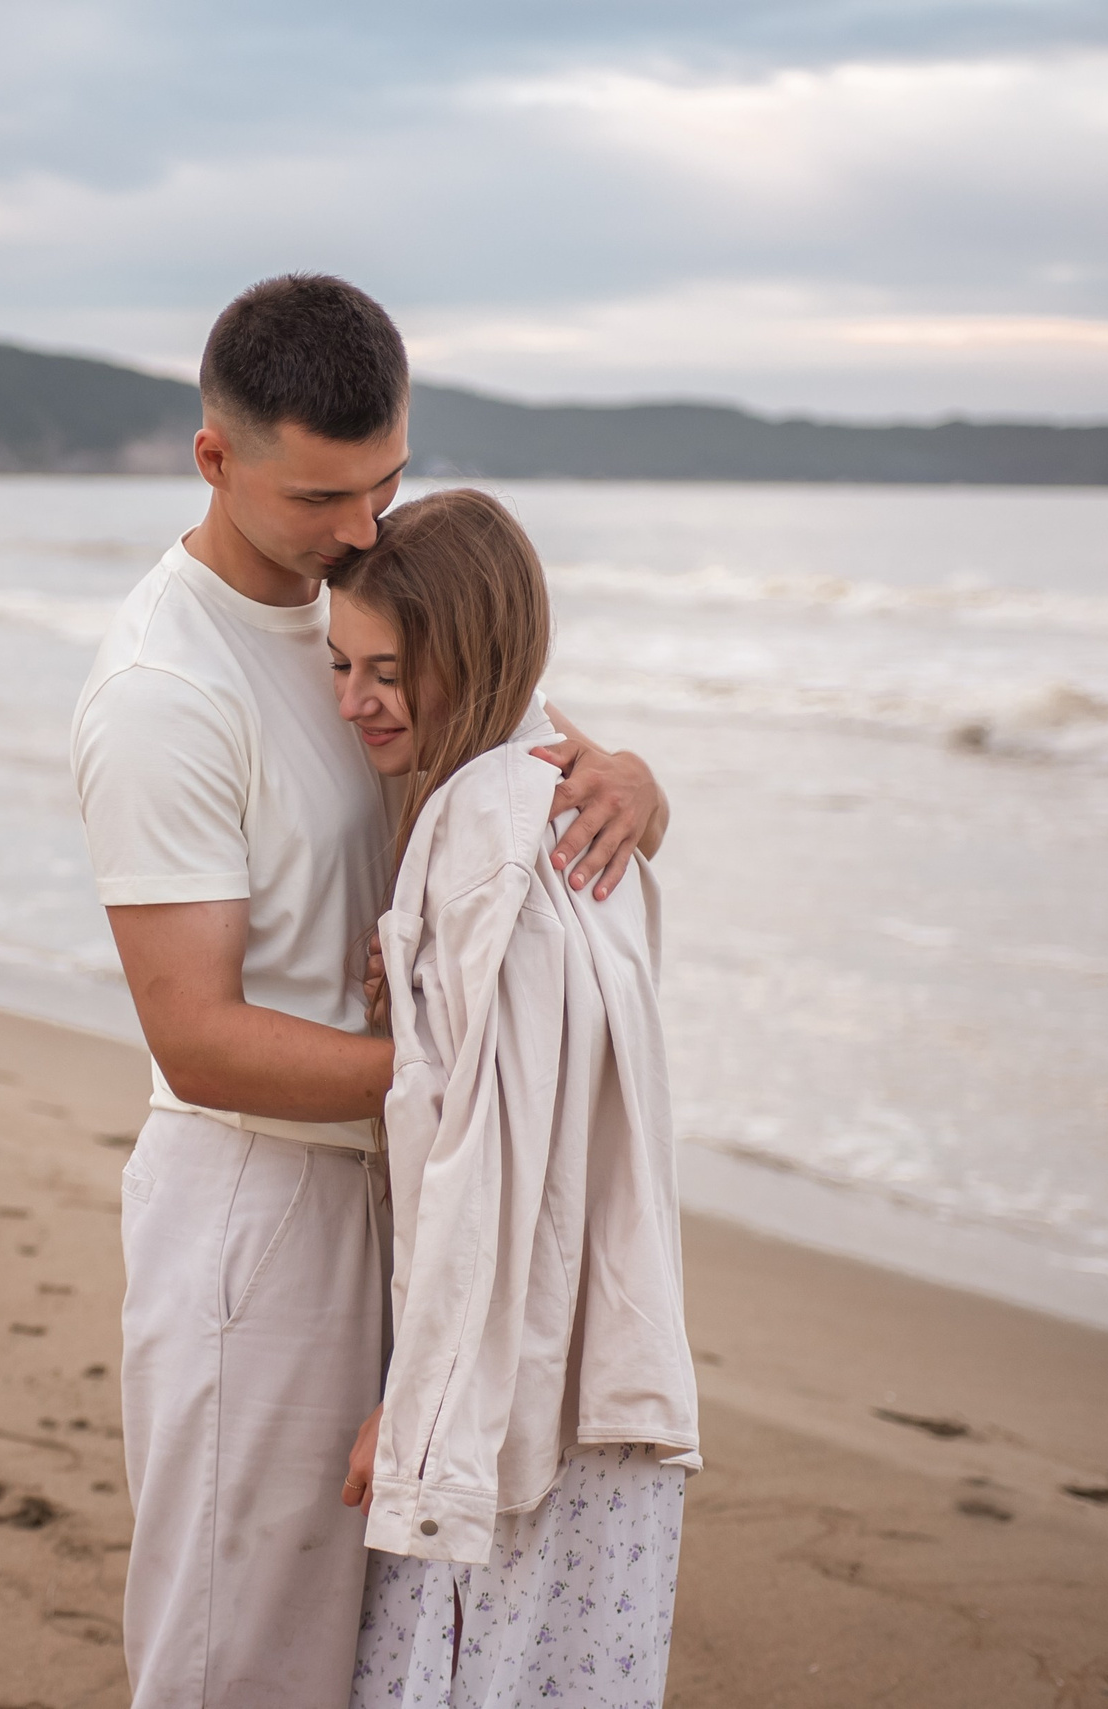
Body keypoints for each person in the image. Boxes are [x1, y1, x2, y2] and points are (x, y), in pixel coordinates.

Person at [69, 276, 669, 1708]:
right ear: (215, 460)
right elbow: (197, 1038)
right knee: (239, 1653)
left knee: (383, 1654)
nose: (360, 526)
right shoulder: (167, 688)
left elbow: (535, 763)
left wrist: (640, 785)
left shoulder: (385, 598)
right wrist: (471, 1087)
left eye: (386, 481)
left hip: (425, 1200)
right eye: (322, 496)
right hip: (262, 1215)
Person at [329, 489, 701, 1708]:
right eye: (340, 662)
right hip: (601, 1365)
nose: (353, 700)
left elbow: (489, 1162)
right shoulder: (550, 790)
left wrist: (419, 1407)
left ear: (471, 656)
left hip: (513, 1398)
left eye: (389, 669)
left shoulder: (490, 831)